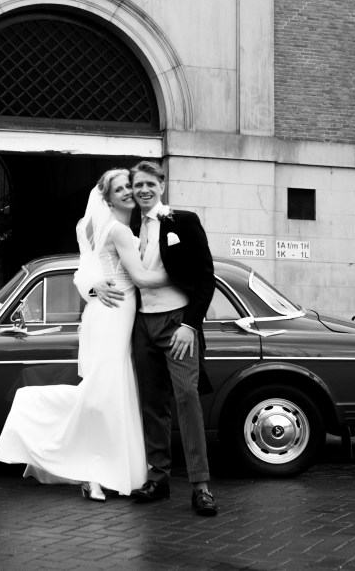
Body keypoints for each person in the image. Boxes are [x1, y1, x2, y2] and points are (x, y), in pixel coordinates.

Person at [0, 169, 167, 500]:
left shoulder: (104, 230)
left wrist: (93, 284)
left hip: (110, 315)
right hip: (113, 315)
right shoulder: (117, 231)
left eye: (129, 187)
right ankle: (87, 462)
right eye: (119, 189)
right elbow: (141, 278)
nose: (128, 192)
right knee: (104, 393)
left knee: (110, 393)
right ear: (108, 199)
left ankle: (100, 469)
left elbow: (85, 269)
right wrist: (188, 275)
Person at [88, 160, 218, 517]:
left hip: (177, 324)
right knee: (152, 403)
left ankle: (201, 487)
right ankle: (158, 479)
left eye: (149, 183)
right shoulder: (128, 229)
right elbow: (104, 267)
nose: (143, 190)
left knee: (187, 398)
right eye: (137, 185)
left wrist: (190, 325)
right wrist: (94, 286)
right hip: (141, 326)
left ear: (162, 184)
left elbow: (206, 277)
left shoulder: (183, 221)